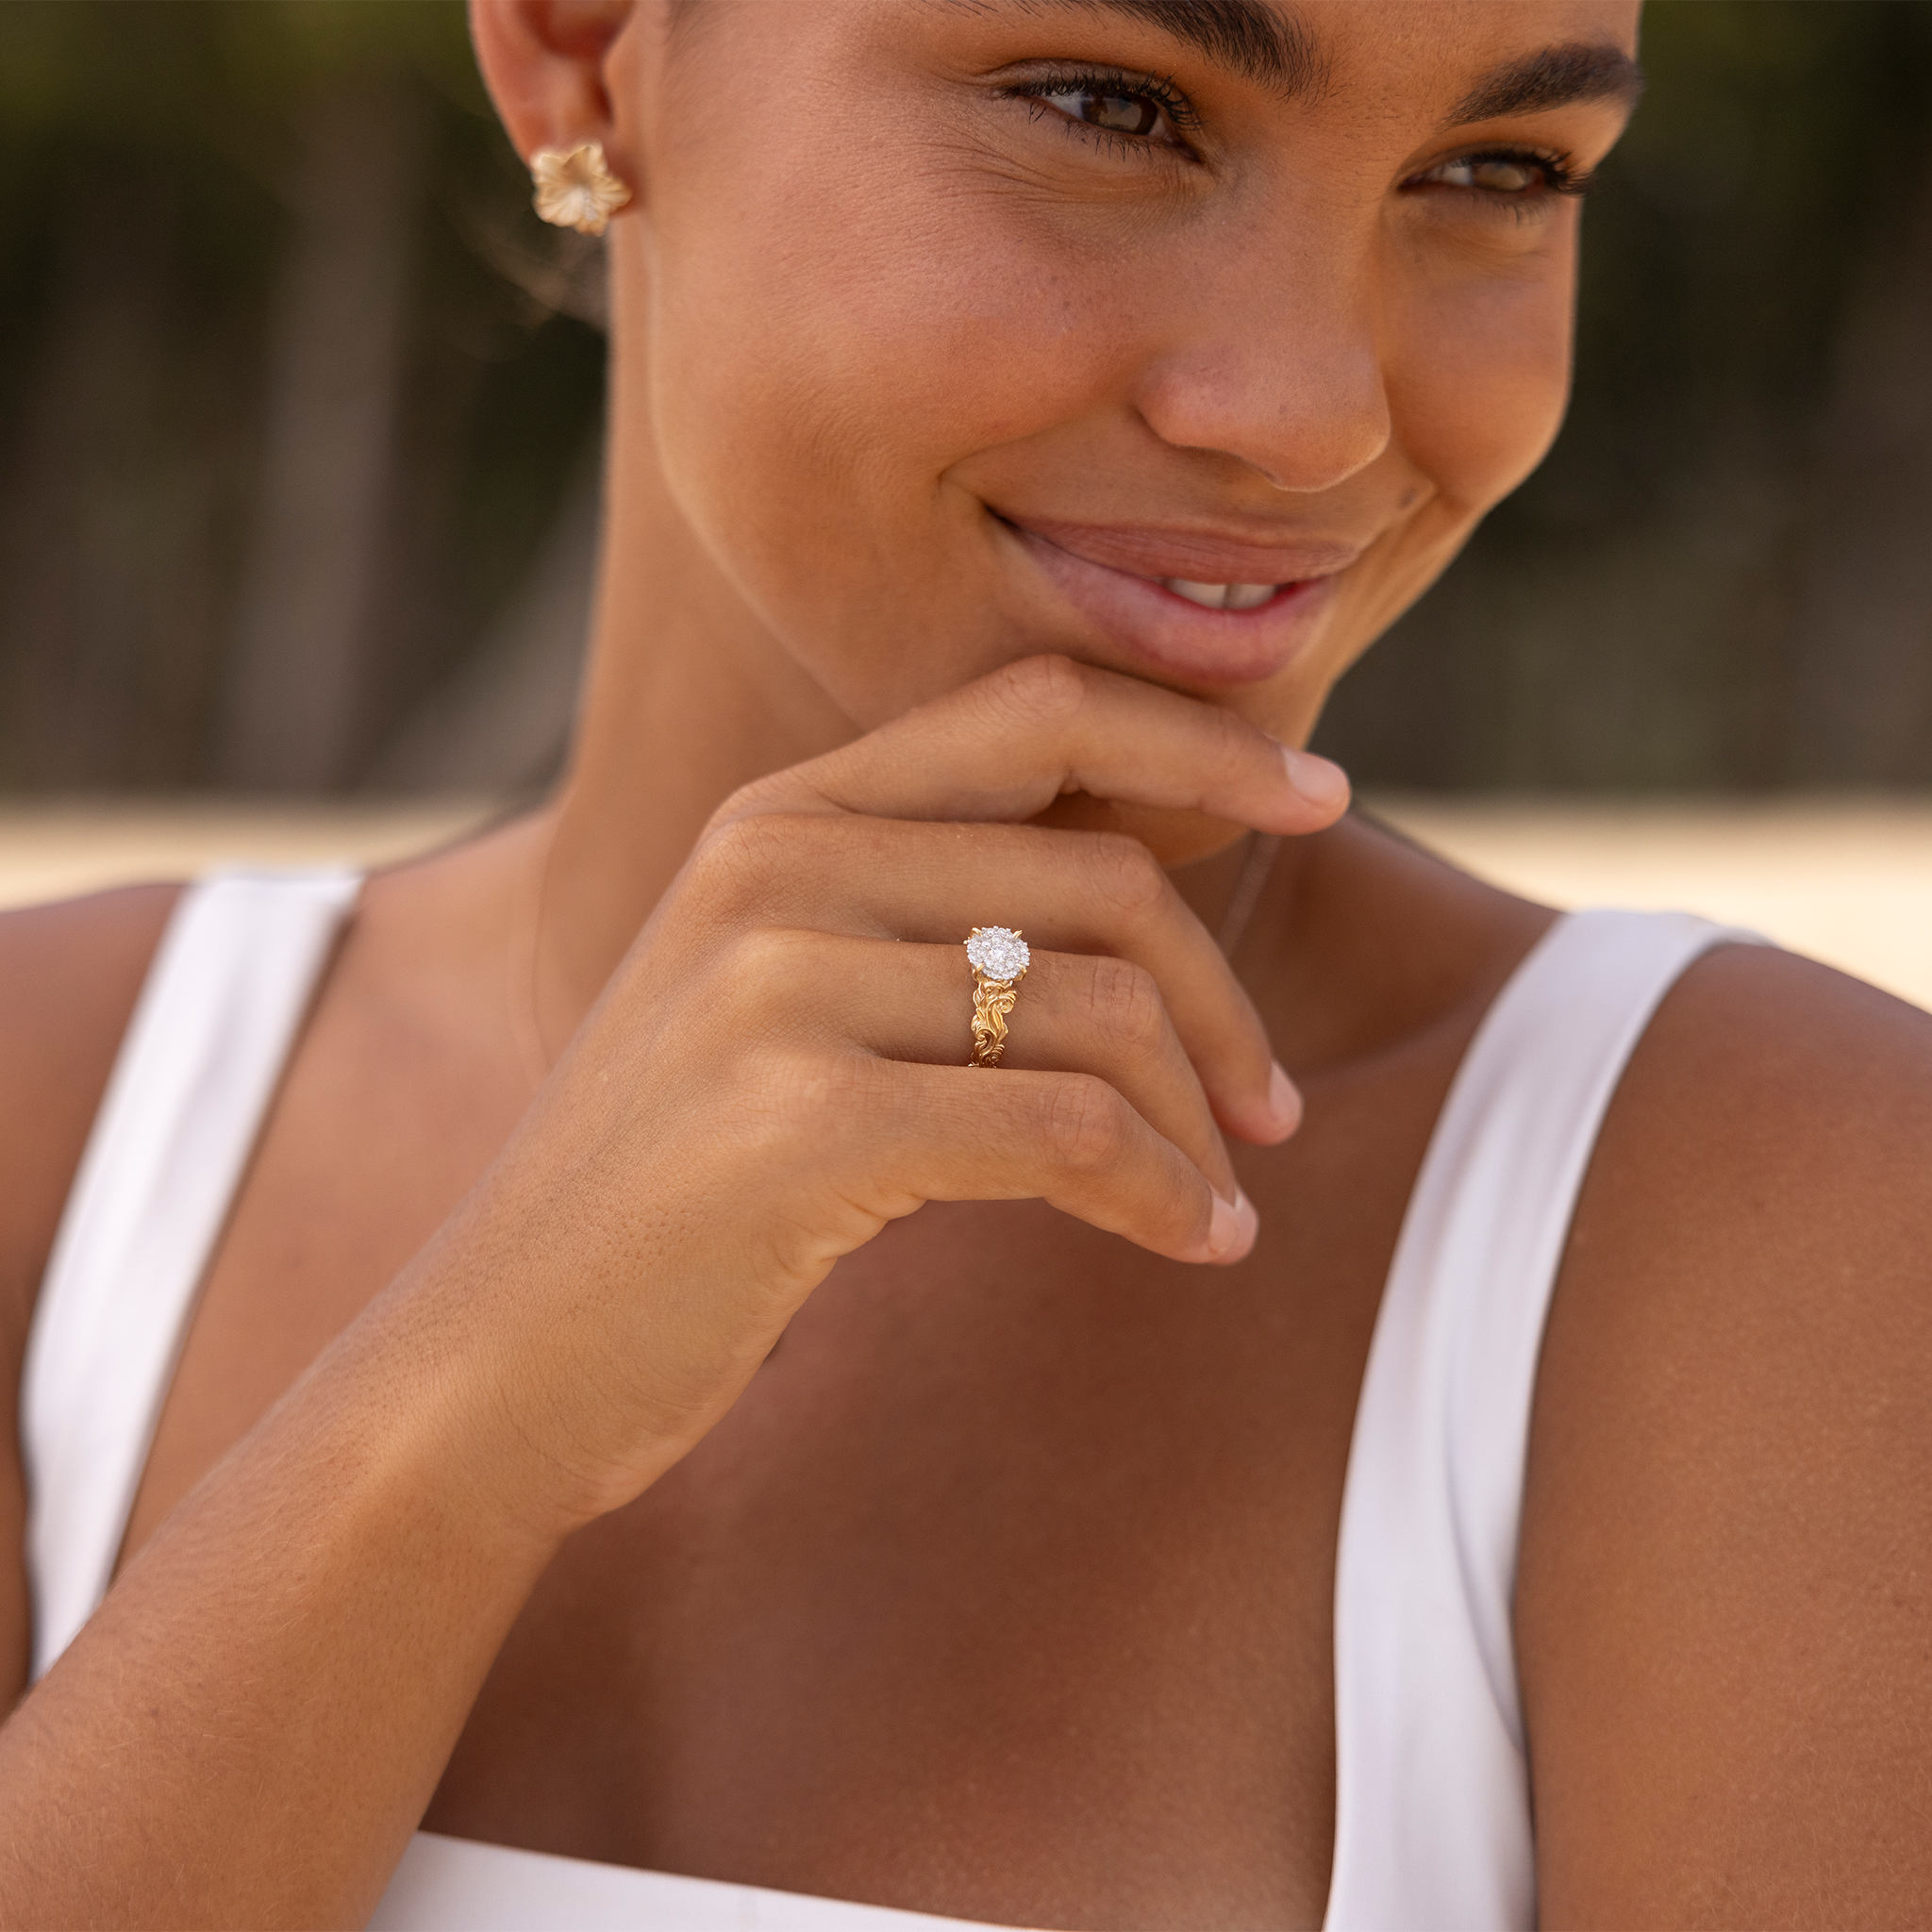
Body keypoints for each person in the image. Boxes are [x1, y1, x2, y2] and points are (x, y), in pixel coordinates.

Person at [2, 1, 1928, 1924]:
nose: (1312, 410)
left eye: (1497, 171)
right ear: (585, 50)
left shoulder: (1780, 1227)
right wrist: (459, 1415)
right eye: (1112, 109)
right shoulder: (58, 1116)